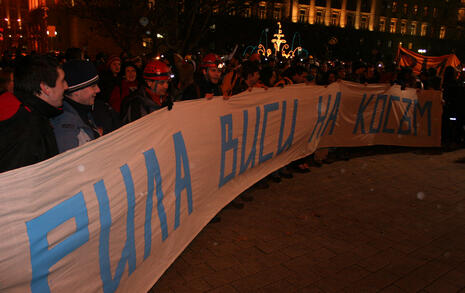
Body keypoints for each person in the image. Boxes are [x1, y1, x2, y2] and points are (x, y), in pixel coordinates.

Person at [0, 55, 68, 172]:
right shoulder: (27, 128)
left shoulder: (28, 112)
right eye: (62, 81)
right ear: (45, 88)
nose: (66, 86)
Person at [51, 59, 114, 153]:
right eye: (93, 86)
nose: (98, 90)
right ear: (76, 91)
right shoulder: (66, 126)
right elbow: (71, 163)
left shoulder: (84, 111)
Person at [120, 60, 173, 124]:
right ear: (149, 83)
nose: (166, 86)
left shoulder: (167, 99)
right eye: (161, 83)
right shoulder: (136, 104)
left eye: (167, 82)